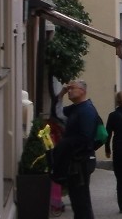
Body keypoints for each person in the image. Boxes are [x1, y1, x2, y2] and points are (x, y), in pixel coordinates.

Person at [53, 80, 100, 219]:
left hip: (81, 162)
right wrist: (61, 94)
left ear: (82, 91)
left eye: (72, 88)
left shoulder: (86, 110)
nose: (69, 91)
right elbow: (58, 113)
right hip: (75, 161)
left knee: (81, 201)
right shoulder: (76, 108)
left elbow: (85, 137)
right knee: (77, 200)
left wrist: (65, 144)